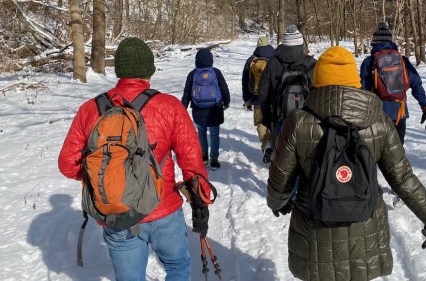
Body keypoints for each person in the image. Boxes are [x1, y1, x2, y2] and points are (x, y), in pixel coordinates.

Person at [267, 46, 426, 281]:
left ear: (317, 79)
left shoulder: (298, 122)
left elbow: (280, 178)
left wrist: (277, 202)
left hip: (314, 229)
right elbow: (402, 178)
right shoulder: (378, 120)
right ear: (355, 80)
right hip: (366, 228)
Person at [58, 37, 212, 281]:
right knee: (177, 267)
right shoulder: (169, 106)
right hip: (164, 209)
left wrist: (105, 176)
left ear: (119, 70)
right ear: (149, 70)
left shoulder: (91, 109)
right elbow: (192, 162)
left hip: (116, 211)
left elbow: (68, 164)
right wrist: (201, 201)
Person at [360, 21, 426, 145]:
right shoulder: (402, 60)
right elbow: (416, 84)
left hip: (377, 115)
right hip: (400, 114)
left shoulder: (369, 62)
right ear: (391, 41)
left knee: (375, 153)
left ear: (374, 42)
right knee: (397, 155)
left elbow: (364, 90)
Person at [258, 24, 316, 141]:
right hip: (307, 120)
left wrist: (267, 118)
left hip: (281, 118)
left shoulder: (272, 63)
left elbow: (263, 93)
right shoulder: (312, 64)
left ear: (284, 43)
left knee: (281, 155)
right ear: (301, 44)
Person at [181, 47, 230, 170]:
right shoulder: (216, 72)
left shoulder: (192, 74)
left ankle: (204, 156)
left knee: (201, 132)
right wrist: (227, 101)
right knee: (214, 134)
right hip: (215, 109)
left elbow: (187, 92)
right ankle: (214, 159)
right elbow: (224, 88)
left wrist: (183, 108)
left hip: (198, 109)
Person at [242, 35, 277, 162]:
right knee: (273, 121)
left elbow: (245, 80)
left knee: (261, 123)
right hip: (273, 98)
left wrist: (247, 99)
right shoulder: (275, 58)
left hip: (257, 99)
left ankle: (266, 144)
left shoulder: (251, 60)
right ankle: (276, 146)